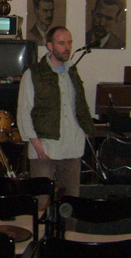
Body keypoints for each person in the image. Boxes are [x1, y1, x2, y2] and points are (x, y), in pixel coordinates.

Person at [16, 27, 95, 202]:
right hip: (45, 148)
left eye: (69, 43)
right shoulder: (33, 73)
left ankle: (67, 223)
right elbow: (24, 110)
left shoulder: (72, 70)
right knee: (41, 201)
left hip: (71, 147)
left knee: (71, 202)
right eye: (61, 43)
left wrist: (84, 129)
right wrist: (35, 143)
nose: (67, 47)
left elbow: (79, 104)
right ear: (50, 46)